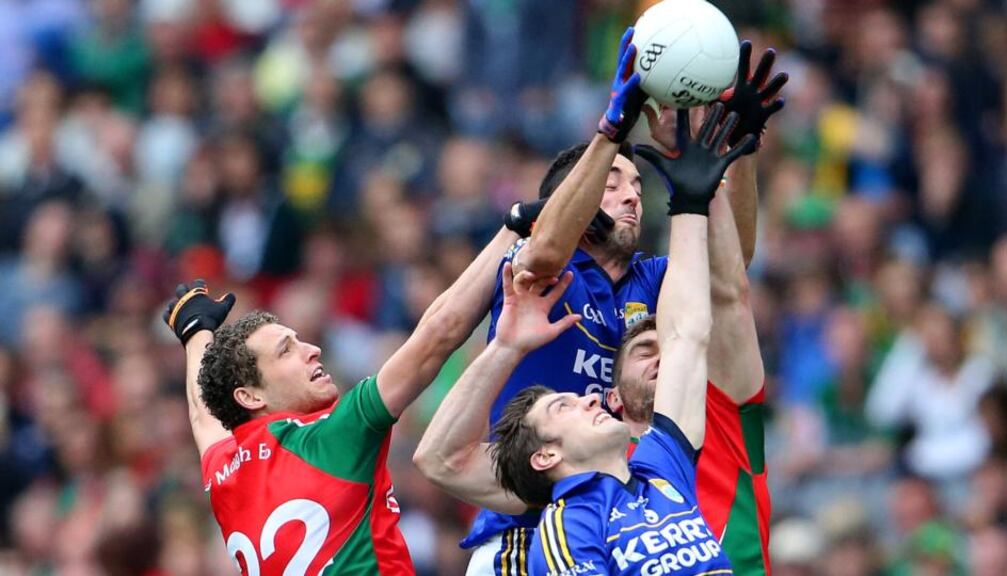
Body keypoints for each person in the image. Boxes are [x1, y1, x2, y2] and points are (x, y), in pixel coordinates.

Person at [418, 32, 784, 574]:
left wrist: (737, 153)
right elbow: (543, 245)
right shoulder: (541, 271)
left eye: (637, 184)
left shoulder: (654, 277)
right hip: (525, 515)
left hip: (626, 498)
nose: (632, 194)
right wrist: (611, 130)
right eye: (611, 184)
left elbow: (730, 274)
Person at [161, 224, 519, 574]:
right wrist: (513, 229)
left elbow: (203, 416)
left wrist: (195, 332)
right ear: (249, 396)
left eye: (300, 340)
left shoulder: (224, 468)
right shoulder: (334, 436)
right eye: (286, 351)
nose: (312, 350)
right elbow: (437, 335)